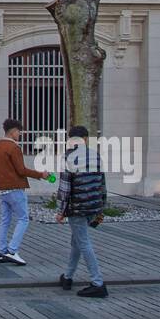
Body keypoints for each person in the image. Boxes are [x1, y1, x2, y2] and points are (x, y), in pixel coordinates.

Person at [55, 125, 108, 298]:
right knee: (76, 242)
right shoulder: (96, 155)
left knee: (83, 243)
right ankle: (68, 277)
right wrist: (101, 208)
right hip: (93, 206)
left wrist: (60, 211)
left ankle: (98, 282)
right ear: (85, 139)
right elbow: (102, 184)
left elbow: (64, 188)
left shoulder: (68, 157)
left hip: (77, 208)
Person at [0, 118, 48, 265]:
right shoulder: (14, 148)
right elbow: (21, 170)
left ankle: (2, 252)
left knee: (5, 220)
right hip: (15, 189)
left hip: (2, 190)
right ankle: (12, 250)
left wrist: (1, 180)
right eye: (19, 132)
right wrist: (41, 174)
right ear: (13, 131)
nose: (19, 135)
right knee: (23, 218)